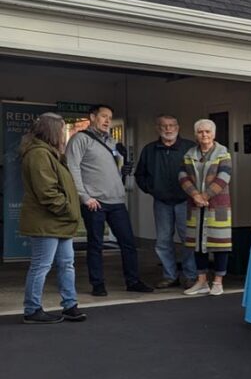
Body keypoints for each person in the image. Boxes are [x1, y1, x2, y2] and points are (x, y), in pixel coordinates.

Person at [66, 104, 153, 296]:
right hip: (94, 202)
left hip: (116, 201)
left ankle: (133, 281)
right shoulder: (80, 139)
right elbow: (72, 168)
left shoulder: (113, 142)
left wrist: (123, 170)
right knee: (95, 244)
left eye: (110, 117)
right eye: (103, 116)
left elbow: (112, 168)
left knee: (128, 243)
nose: (107, 121)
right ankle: (98, 284)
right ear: (92, 117)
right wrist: (84, 197)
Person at [19, 113, 88, 324]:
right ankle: (32, 310)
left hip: (57, 222)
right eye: (61, 130)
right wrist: (69, 210)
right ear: (51, 131)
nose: (63, 135)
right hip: (47, 222)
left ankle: (70, 305)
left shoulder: (50, 153)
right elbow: (47, 192)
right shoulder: (39, 154)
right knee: (41, 266)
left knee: (67, 263)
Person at [135, 114, 198, 289]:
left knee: (189, 240)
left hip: (185, 202)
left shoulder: (190, 148)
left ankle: (190, 275)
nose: (168, 129)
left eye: (172, 125)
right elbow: (140, 174)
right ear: (158, 128)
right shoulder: (149, 149)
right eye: (164, 126)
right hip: (161, 202)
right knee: (163, 241)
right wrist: (152, 189)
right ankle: (170, 276)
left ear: (178, 127)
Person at [178, 119, 232, 296]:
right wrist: (195, 195)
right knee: (197, 245)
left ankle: (218, 282)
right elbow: (182, 175)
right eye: (200, 132)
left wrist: (205, 196)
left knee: (220, 244)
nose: (204, 135)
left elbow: (224, 176)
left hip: (218, 207)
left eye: (208, 132)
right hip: (195, 206)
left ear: (214, 134)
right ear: (196, 135)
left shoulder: (223, 153)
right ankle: (201, 282)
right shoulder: (189, 154)